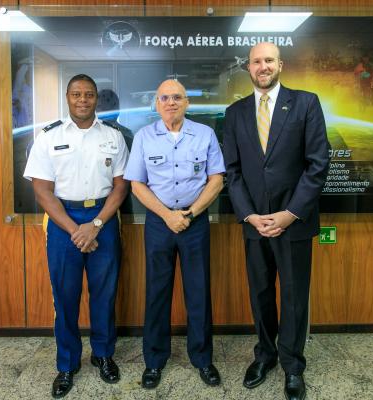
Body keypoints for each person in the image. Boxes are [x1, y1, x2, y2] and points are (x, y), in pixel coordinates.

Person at [223, 42, 330, 400]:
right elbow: (232, 172)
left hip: (294, 222)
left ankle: (293, 364)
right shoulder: (235, 112)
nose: (263, 66)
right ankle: (265, 355)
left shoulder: (306, 103)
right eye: (256, 61)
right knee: (261, 293)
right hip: (255, 224)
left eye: (269, 60)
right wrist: (251, 216)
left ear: (280, 64)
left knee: (295, 296)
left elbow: (318, 165)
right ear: (248, 68)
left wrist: (288, 214)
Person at [23, 74, 129, 398]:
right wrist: (75, 230)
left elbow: (121, 186)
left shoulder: (114, 137)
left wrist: (94, 225)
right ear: (67, 98)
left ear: (96, 99)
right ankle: (67, 364)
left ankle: (103, 355)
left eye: (89, 95)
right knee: (64, 298)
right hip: (62, 221)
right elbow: (41, 191)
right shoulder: (47, 137)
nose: (82, 100)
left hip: (103, 218)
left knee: (105, 294)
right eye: (76, 95)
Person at [124, 79, 225, 389]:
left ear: (187, 103)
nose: (171, 102)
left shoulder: (205, 134)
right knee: (157, 292)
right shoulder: (144, 137)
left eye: (177, 97)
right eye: (164, 98)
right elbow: (136, 184)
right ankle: (154, 361)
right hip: (159, 222)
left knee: (199, 292)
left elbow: (217, 179)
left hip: (194, 222)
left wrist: (190, 214)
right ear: (157, 103)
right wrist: (167, 215)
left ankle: (203, 359)